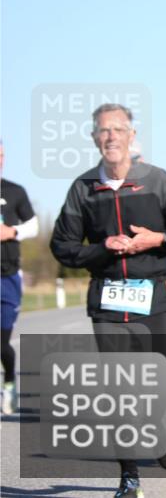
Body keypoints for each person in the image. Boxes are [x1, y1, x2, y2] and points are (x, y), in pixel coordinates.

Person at [50, 103, 166, 498]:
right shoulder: (83, 189)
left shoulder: (157, 181)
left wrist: (159, 239)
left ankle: (157, 434)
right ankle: (129, 477)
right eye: (104, 130)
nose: (111, 136)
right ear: (94, 139)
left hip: (153, 298)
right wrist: (101, 248)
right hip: (106, 302)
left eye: (118, 129)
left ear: (132, 136)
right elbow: (63, 247)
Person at [1, 141, 39, 415]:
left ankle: (10, 383)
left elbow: (34, 225)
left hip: (7, 276)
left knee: (2, 342)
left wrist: (11, 232)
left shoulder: (14, 191)